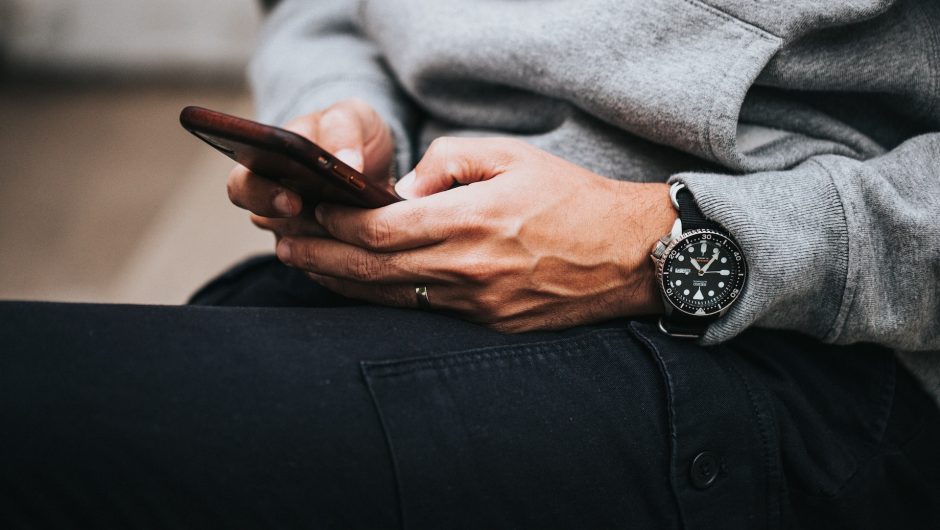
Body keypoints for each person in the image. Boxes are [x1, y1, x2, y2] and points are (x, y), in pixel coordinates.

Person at [2, 0, 939, 528]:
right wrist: (343, 109)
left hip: (798, 346)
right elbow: (319, 9)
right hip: (418, 248)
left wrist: (664, 246)